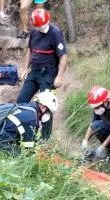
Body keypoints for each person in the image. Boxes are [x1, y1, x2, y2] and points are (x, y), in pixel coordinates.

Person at [17, 8, 67, 139]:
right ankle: (22, 131)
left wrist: (59, 76)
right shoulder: (34, 33)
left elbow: (63, 56)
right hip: (34, 72)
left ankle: (45, 139)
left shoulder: (56, 33)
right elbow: (30, 51)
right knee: (21, 102)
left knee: (46, 106)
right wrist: (24, 69)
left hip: (48, 74)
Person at [0, 91, 58, 155]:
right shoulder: (31, 118)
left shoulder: (25, 107)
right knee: (25, 157)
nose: (48, 114)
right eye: (48, 111)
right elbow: (28, 148)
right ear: (43, 106)